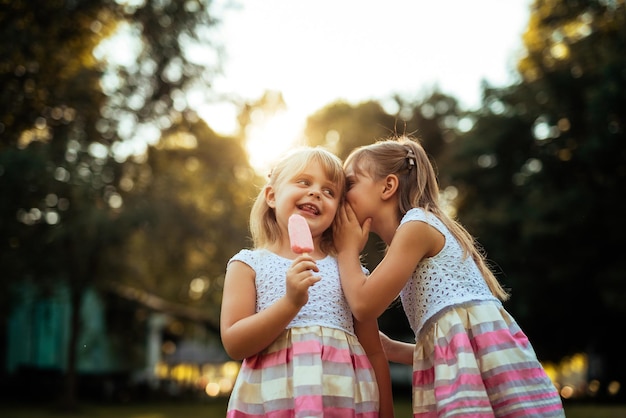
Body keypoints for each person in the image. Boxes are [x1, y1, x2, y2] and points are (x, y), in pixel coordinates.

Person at [334, 135, 565, 417]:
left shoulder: (416, 226)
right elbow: (450, 348)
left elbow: (364, 304)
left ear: (388, 186)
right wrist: (392, 349)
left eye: (350, 183)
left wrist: (346, 250)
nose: (342, 194)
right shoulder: (410, 238)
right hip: (473, 375)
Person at [220, 146, 394, 418]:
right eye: (303, 182)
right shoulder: (248, 265)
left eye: (329, 191)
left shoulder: (348, 270)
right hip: (274, 402)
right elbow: (234, 344)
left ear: (337, 210)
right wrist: (290, 303)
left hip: (345, 402)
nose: (316, 192)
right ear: (272, 196)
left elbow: (373, 350)